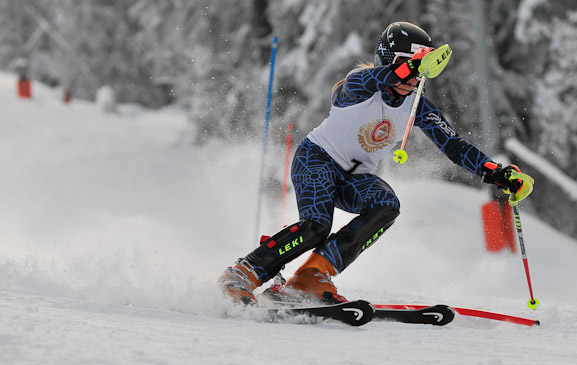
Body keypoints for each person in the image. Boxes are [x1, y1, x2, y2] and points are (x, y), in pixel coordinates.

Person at [217, 22, 532, 305]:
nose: (413, 77)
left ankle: (311, 276)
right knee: (317, 226)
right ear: (390, 62)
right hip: (316, 160)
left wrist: (496, 173)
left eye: (420, 69)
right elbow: (380, 78)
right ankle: (243, 273)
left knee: (386, 203)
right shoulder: (357, 85)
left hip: (352, 178)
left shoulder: (416, 105)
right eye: (406, 65)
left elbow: (453, 145)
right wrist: (409, 67)